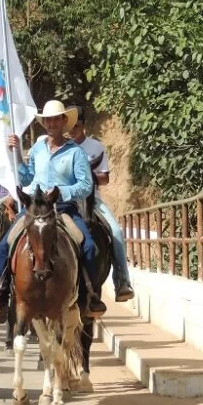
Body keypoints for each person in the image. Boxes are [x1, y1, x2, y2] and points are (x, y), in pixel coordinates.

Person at [0, 100, 103, 322]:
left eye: (56, 119)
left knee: (89, 246)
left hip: (63, 208)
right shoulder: (37, 148)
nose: (52, 123)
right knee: (7, 243)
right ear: (44, 122)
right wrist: (17, 154)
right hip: (35, 209)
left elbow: (86, 185)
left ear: (64, 121)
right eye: (48, 120)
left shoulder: (75, 152)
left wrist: (60, 191)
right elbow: (27, 177)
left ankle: (90, 296)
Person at [69, 111, 135, 302]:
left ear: (83, 124)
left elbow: (105, 178)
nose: (73, 129)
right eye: (70, 125)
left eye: (77, 125)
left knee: (115, 231)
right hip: (65, 199)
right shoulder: (61, 147)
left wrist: (87, 177)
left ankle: (122, 280)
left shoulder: (95, 147)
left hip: (92, 198)